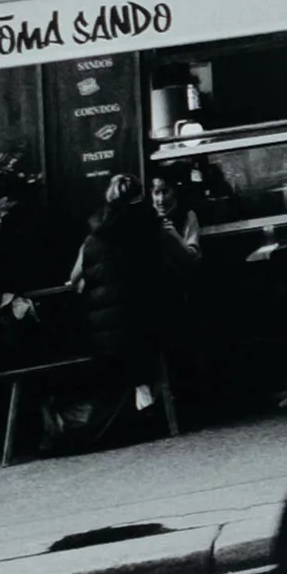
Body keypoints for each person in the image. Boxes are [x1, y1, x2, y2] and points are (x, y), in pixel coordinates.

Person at [69, 170, 196, 443]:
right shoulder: (153, 229)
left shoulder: (94, 235)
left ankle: (140, 399)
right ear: (141, 197)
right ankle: (156, 400)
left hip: (103, 336)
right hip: (150, 326)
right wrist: (173, 234)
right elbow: (188, 260)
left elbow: (73, 279)